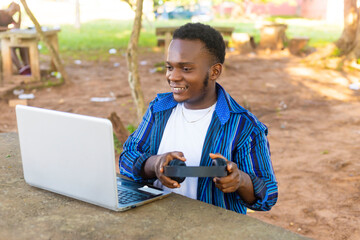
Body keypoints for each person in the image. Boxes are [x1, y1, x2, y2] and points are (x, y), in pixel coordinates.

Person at [119, 23, 278, 214]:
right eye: (169, 67)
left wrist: (240, 180)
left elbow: (268, 195)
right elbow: (127, 158)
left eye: (186, 69)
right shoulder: (159, 108)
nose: (173, 77)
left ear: (215, 72)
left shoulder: (244, 126)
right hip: (155, 221)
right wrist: (155, 163)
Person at [0, 2, 31, 75]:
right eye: (13, 10)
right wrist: (7, 28)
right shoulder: (1, 14)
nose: (13, 12)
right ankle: (20, 68)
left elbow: (17, 26)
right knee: (9, 47)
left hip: (6, 38)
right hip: (1, 40)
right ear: (9, 7)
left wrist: (19, 13)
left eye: (15, 11)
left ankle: (26, 66)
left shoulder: (9, 17)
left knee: (22, 45)